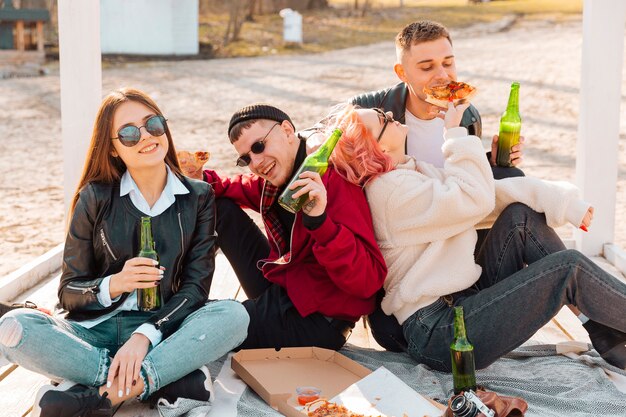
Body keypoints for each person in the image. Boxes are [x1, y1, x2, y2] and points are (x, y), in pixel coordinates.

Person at [0, 88, 249, 417]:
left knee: (234, 316)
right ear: (114, 149)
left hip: (165, 328)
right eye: (129, 133)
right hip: (96, 333)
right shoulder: (95, 197)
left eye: (153, 124)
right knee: (14, 327)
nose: (146, 136)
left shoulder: (198, 196)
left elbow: (195, 288)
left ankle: (102, 395)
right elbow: (69, 291)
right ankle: (161, 379)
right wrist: (114, 284)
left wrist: (146, 335)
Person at [325, 103, 626, 371]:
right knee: (568, 268)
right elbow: (474, 197)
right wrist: (455, 134)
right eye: (381, 119)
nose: (389, 113)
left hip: (462, 302)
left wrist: (562, 202)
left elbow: (489, 198)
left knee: (519, 218)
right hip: (440, 332)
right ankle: (607, 330)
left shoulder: (409, 171)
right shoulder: (388, 191)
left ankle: (607, 334)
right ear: (375, 149)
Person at [195, 103, 387, 351]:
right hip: (286, 286)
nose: (255, 162)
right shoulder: (274, 180)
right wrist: (201, 177)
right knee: (216, 205)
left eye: (258, 147)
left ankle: (192, 312)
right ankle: (187, 294)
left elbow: (368, 281)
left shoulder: (332, 177)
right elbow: (237, 186)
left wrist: (320, 223)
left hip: (317, 320)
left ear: (286, 130)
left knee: (206, 325)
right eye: (246, 158)